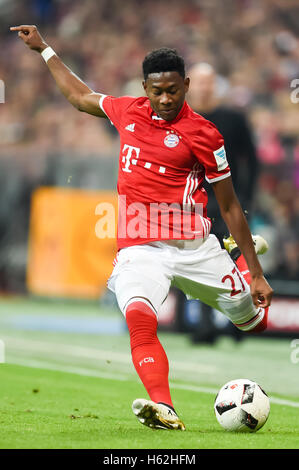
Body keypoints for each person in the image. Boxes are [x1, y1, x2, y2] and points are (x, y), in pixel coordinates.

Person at [10, 25, 273, 431]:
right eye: (157, 91)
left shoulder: (205, 134)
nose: (165, 99)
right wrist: (44, 49)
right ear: (144, 87)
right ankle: (164, 408)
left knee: (253, 321)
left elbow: (230, 204)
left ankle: (235, 258)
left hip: (195, 249)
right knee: (138, 316)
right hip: (140, 248)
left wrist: (255, 273)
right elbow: (80, 97)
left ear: (185, 85)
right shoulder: (128, 110)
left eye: (173, 89)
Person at [186, 63, 260, 343]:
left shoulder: (233, 119)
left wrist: (248, 197)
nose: (205, 88)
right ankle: (204, 327)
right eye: (200, 82)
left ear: (215, 85)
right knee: (200, 264)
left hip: (229, 202)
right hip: (193, 204)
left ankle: (237, 323)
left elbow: (252, 159)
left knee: (235, 261)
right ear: (191, 85)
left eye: (209, 82)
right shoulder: (183, 118)